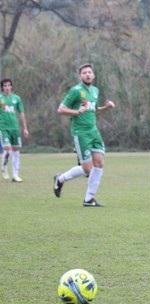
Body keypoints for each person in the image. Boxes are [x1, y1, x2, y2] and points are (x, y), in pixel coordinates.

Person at [53, 63, 115, 207]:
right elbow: (60, 109)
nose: (87, 74)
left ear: (93, 75)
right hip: (80, 133)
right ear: (80, 76)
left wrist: (106, 108)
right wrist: (76, 112)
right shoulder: (75, 91)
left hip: (93, 131)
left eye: (89, 72)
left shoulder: (95, 91)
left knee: (99, 163)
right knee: (87, 169)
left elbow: (93, 111)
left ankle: (88, 200)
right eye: (84, 73)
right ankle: (60, 179)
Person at [0, 78, 29, 182]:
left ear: (11, 86)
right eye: (5, 86)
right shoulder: (0, 98)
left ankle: (15, 175)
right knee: (7, 150)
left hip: (15, 128)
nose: (7, 87)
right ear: (2, 87)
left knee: (16, 151)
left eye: (8, 85)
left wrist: (25, 128)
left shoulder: (16, 98)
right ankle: (4, 168)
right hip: (3, 128)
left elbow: (21, 113)